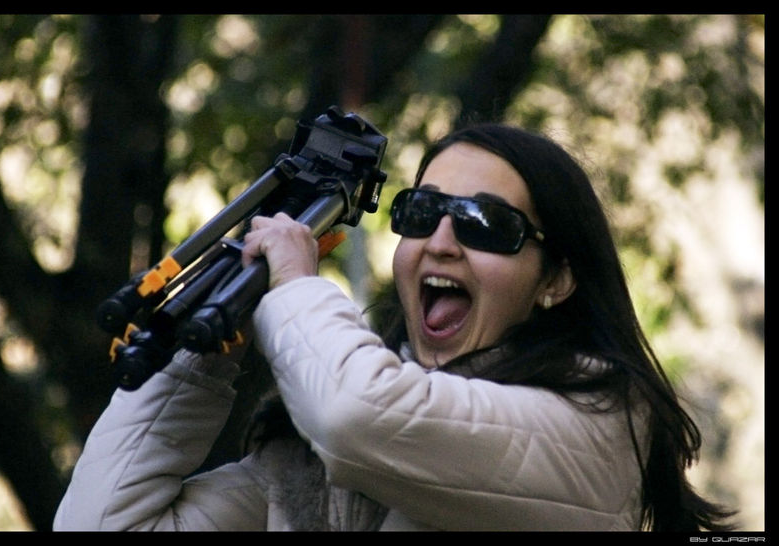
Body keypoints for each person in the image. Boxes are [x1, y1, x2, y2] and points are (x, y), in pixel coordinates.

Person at [53, 123, 735, 531]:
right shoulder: (316, 465)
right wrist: (207, 344)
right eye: (420, 212)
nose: (440, 241)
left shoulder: (599, 420)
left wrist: (294, 287)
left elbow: (358, 415)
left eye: (485, 224)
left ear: (556, 280)